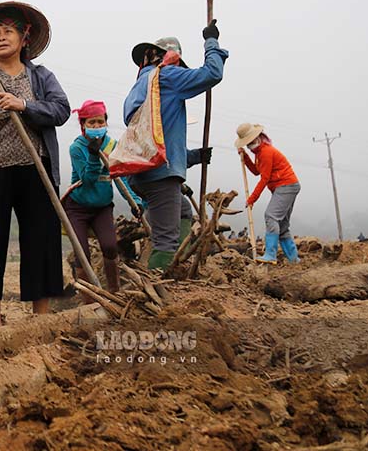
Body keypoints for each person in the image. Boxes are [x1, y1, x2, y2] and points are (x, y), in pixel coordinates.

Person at [0, 2, 69, 327]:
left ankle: (41, 318)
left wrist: (25, 105)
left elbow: (61, 110)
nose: (2, 37)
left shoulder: (41, 75)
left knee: (41, 240)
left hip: (36, 169)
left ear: (24, 39)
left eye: (9, 31)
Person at [123, 22, 228, 271]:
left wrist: (194, 157)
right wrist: (211, 42)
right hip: (160, 175)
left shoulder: (142, 85)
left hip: (144, 173)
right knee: (166, 240)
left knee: (181, 210)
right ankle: (163, 282)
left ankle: (176, 260)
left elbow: (157, 140)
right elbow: (212, 73)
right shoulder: (166, 76)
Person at [63, 100, 142, 293]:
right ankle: (89, 299)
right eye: (91, 123)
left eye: (100, 122)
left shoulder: (113, 146)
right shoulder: (77, 148)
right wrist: (93, 155)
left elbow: (120, 179)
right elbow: (88, 180)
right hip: (78, 207)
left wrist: (136, 202)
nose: (96, 127)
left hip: (102, 207)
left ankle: (114, 293)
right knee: (83, 254)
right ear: (83, 125)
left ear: (106, 123)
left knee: (110, 246)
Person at [235, 123, 301, 264]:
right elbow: (256, 171)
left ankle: (270, 254)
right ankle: (294, 260)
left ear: (257, 138)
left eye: (250, 142)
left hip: (286, 185)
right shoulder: (259, 153)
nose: (249, 146)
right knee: (282, 226)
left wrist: (252, 199)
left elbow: (264, 179)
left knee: (270, 216)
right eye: (247, 144)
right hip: (285, 187)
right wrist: (245, 157)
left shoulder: (265, 152)